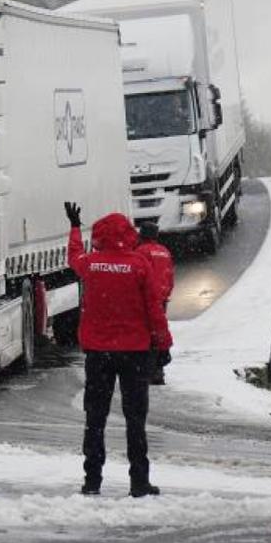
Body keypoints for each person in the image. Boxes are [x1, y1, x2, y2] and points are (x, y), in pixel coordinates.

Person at [65, 202, 172, 498]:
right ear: (129, 234)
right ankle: (139, 481)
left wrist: (75, 228)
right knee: (135, 419)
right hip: (135, 353)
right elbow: (155, 309)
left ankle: (92, 480)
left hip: (98, 354)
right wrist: (163, 344)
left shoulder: (91, 264)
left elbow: (73, 257)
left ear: (99, 235)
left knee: (95, 418)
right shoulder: (140, 266)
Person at [134, 222, 174, 385]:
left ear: (141, 235)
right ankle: (158, 370)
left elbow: (138, 275)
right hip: (161, 299)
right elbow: (170, 277)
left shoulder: (140, 252)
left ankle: (147, 370)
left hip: (145, 299)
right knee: (158, 333)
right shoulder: (164, 252)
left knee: (144, 334)